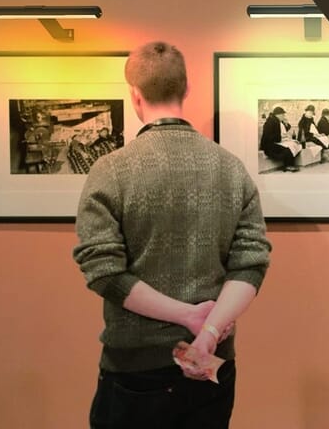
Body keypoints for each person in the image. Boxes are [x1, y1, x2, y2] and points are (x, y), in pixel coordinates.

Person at [73, 40, 272, 429]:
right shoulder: (230, 169)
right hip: (211, 365)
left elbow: (104, 272)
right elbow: (251, 264)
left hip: (135, 371)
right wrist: (208, 331)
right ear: (186, 89)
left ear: (134, 94)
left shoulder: (111, 170)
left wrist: (188, 316)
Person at [259, 106, 301, 172]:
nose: (284, 116)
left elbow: (284, 129)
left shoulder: (277, 121)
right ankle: (288, 166)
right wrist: (280, 138)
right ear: (278, 115)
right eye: (283, 114)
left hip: (275, 142)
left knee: (292, 145)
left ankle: (290, 165)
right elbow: (268, 137)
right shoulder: (270, 122)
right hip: (268, 146)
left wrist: (286, 124)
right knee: (287, 149)